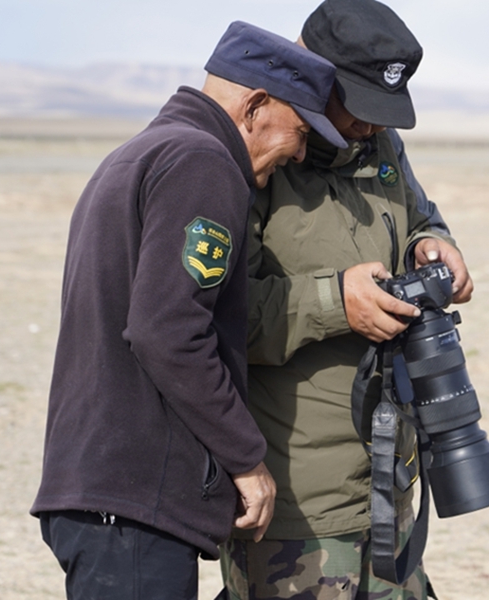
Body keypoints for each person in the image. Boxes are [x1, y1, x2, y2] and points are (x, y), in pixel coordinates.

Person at [30, 21, 347, 599]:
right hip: (133, 505)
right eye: (300, 131)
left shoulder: (141, 152)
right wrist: (246, 459)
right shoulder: (204, 164)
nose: (301, 152)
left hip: (104, 494)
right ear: (255, 106)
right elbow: (168, 331)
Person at [220, 1, 473, 598]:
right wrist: (336, 301)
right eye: (360, 105)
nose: (372, 126)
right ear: (311, 75)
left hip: (388, 479)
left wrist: (432, 244)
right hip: (298, 505)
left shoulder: (379, 145)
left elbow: (417, 217)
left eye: (384, 109)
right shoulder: (251, 157)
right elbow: (216, 318)